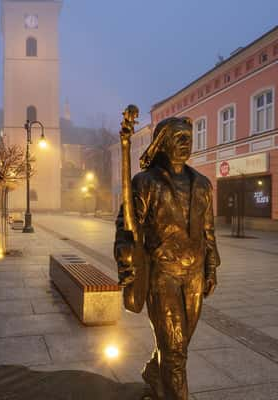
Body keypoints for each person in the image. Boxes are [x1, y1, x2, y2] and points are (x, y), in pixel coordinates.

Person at [114, 117, 220, 400]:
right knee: (175, 353)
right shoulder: (146, 182)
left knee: (179, 344)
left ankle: (153, 371)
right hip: (163, 275)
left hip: (195, 275)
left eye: (189, 137)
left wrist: (211, 268)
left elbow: (208, 232)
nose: (186, 143)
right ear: (162, 143)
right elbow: (127, 226)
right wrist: (126, 259)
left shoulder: (202, 185)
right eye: (179, 137)